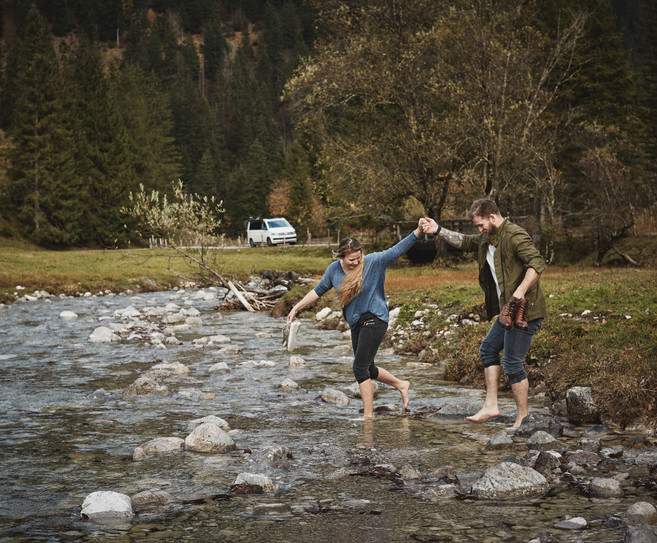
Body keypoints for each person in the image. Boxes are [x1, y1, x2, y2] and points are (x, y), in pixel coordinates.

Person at [423, 199, 547, 429]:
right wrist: (437, 230)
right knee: (488, 349)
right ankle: (491, 406)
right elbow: (464, 242)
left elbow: (537, 264)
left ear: (492, 217)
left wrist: (518, 295)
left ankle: (523, 419)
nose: (479, 230)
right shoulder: (486, 238)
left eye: (481, 225)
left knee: (511, 362)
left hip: (525, 312)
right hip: (505, 312)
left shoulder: (514, 236)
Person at [287, 219, 427, 420]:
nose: (356, 262)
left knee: (359, 368)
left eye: (358, 258)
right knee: (368, 369)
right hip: (356, 322)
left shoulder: (373, 262)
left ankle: (368, 416)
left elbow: (397, 250)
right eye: (351, 259)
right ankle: (401, 384)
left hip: (375, 317)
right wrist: (295, 308)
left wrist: (418, 232)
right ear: (341, 256)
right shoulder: (334, 270)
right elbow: (317, 291)